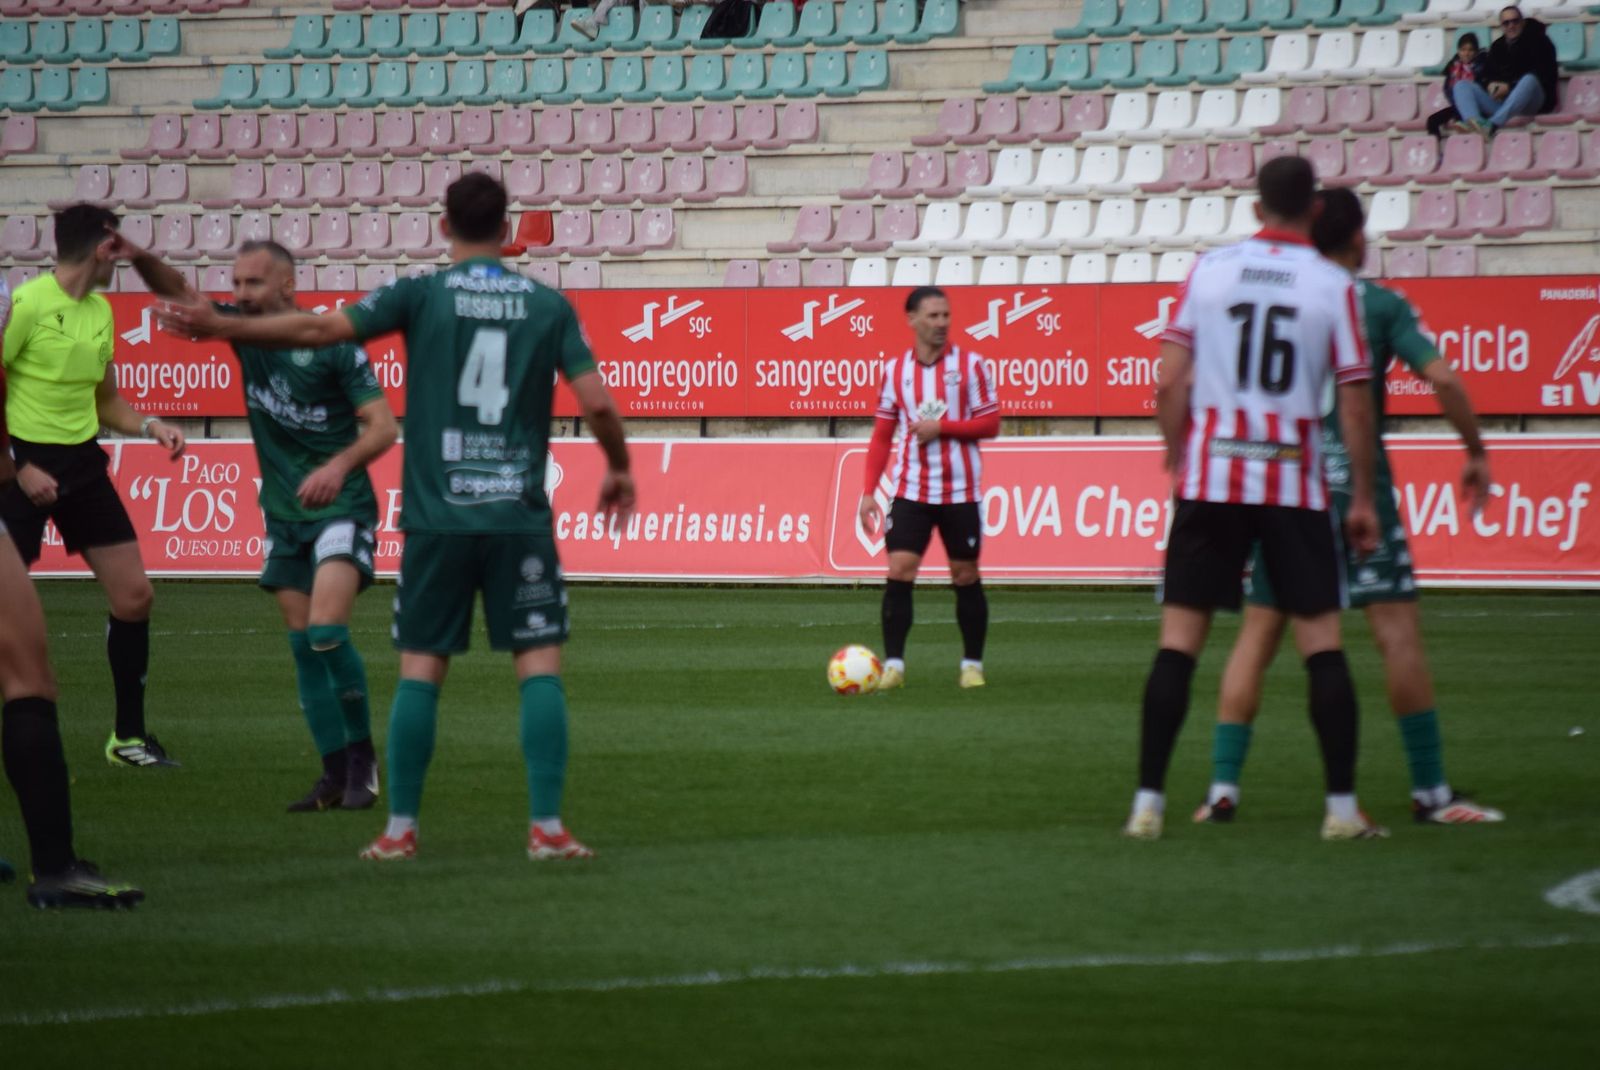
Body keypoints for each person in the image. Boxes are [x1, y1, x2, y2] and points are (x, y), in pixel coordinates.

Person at [157, 173, 634, 863]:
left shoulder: (419, 294)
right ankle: (548, 829)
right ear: (507, 230)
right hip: (518, 518)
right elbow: (598, 404)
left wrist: (224, 325)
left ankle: (400, 830)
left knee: (420, 673)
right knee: (538, 670)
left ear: (444, 227)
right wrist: (618, 467)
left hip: (438, 518)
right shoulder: (549, 305)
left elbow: (320, 327)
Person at [1197, 189, 1505, 828]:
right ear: (1358, 236)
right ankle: (1431, 793)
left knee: (1258, 636)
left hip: (1286, 485)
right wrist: (1475, 450)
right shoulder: (1377, 303)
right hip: (1359, 487)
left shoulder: (1287, 291)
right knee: (1395, 635)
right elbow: (1442, 377)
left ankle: (1222, 791)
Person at [1125, 156, 1383, 843]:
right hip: (1293, 482)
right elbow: (1355, 404)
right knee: (1321, 645)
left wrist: (1176, 449)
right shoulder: (1333, 284)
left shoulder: (1209, 270)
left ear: (1255, 207)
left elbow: (1169, 381)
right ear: (1316, 211)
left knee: (1178, 645)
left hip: (1213, 479)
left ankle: (1147, 804)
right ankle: (1340, 810)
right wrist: (1361, 496)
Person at [120, 237, 398, 814]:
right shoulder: (242, 333)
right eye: (236, 283)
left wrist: (338, 466)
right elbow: (182, 293)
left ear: (287, 286)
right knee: (302, 645)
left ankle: (362, 759)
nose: (241, 294)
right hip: (284, 513)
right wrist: (135, 253)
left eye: (254, 282)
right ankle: (332, 774)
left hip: (341, 504)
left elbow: (383, 427)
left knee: (326, 629)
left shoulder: (333, 344)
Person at [0, 204, 185, 770]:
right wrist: (17, 465)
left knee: (135, 596)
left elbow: (106, 401)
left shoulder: (102, 311)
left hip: (81, 463)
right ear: (105, 247)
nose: (120, 260)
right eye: (118, 247)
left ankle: (128, 739)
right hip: (19, 464)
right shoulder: (27, 304)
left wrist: (150, 425)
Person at [0, 277, 143, 909]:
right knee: (28, 678)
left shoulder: (89, 312)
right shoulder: (25, 307)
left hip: (69, 465)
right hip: (28, 473)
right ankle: (55, 870)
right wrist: (19, 468)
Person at [857, 286, 999, 691]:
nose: (941, 323)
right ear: (912, 319)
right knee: (899, 569)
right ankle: (894, 667)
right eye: (933, 316)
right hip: (911, 490)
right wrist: (868, 491)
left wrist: (943, 427)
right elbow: (882, 435)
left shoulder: (971, 366)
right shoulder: (894, 371)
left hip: (960, 492)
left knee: (965, 574)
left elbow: (990, 423)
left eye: (945, 316)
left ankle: (972, 665)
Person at [1452, 7, 1559, 138]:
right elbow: (1486, 75)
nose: (1511, 26)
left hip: (1534, 102)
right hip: (1504, 104)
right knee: (1461, 85)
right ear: (1501, 26)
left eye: (1515, 21)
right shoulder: (1498, 46)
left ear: (1522, 22)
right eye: (1506, 23)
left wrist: (1509, 87)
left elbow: (1545, 75)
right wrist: (1490, 85)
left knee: (1529, 79)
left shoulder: (1541, 41)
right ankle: (1476, 124)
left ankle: (1492, 125)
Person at [1428, 33, 1489, 138]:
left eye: (1470, 50)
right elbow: (1448, 90)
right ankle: (1435, 147)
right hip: (1457, 105)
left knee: (1462, 121)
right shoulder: (1454, 66)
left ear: (1476, 52)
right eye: (1463, 50)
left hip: (1477, 107)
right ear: (1458, 51)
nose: (1466, 53)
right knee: (1432, 121)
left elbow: (1483, 92)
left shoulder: (1483, 65)